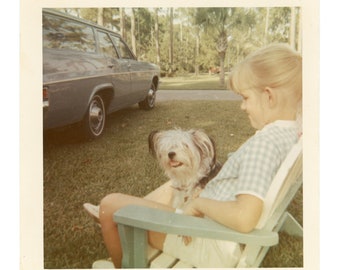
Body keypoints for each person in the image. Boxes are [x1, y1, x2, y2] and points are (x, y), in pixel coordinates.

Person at [93, 43, 302, 268]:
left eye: (245, 98)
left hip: (207, 240)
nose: (242, 107)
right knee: (169, 187)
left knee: (110, 204)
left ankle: (120, 258)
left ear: (269, 96)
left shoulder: (265, 144)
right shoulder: (291, 132)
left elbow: (244, 217)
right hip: (217, 234)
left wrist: (199, 204)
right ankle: (136, 209)